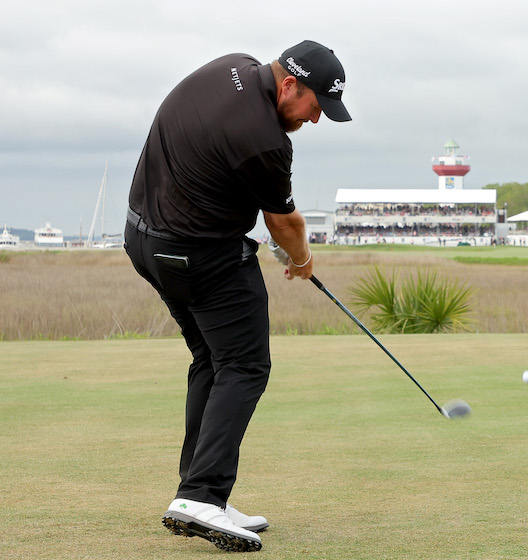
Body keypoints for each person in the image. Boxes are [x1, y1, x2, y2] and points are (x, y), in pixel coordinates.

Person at [123, 40, 350, 552]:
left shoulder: (229, 65)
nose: (316, 121)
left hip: (144, 242)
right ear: (290, 85)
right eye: (317, 107)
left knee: (212, 358)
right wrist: (303, 262)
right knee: (245, 366)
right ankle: (202, 495)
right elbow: (284, 222)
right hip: (200, 254)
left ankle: (196, 493)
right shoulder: (267, 140)